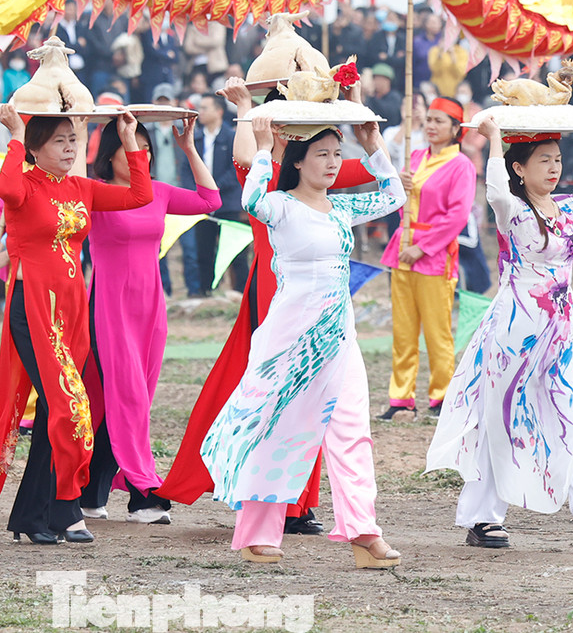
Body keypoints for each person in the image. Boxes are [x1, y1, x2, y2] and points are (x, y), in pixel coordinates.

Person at [202, 116, 405, 567]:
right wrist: (262, 145)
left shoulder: (342, 209)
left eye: (337, 153)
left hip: (339, 336)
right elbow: (250, 198)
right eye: (322, 154)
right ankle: (258, 532)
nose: (333, 163)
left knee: (353, 432)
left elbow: (395, 196)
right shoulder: (280, 205)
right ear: (297, 160)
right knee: (279, 427)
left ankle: (363, 532)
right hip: (291, 338)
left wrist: (372, 147)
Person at [427, 118, 573, 554]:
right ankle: (484, 519)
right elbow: (497, 192)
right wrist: (496, 141)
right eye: (544, 161)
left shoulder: (569, 208)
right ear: (520, 168)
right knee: (501, 418)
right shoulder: (514, 210)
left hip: (562, 328)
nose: (554, 168)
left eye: (557, 159)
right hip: (514, 331)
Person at [0, 106, 152, 544]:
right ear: (35, 148)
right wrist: (14, 135)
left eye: (74, 140)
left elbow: (138, 196)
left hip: (71, 311)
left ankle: (33, 516)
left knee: (55, 409)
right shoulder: (23, 185)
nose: (70, 148)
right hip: (33, 309)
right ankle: (67, 511)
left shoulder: (81, 187)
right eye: (59, 141)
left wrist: (128, 139)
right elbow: (8, 189)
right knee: (71, 407)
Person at [80, 116, 221, 525]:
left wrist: (189, 148)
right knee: (128, 398)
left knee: (126, 398)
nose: (138, 151)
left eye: (142, 144)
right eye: (127, 144)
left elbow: (210, 200)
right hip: (110, 304)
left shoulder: (158, 193)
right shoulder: (99, 194)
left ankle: (91, 492)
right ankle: (144, 493)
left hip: (151, 307)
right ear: (108, 155)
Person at [380, 97, 476, 420]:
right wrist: (400, 186)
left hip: (433, 256)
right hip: (402, 250)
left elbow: (457, 216)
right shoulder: (416, 156)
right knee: (403, 330)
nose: (431, 126)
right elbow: (397, 204)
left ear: (455, 129)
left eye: (439, 121)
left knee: (438, 333)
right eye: (429, 120)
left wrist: (422, 248)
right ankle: (400, 397)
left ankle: (442, 398)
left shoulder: (461, 165)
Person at [183, 93, 243, 297]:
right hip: (202, 204)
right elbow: (186, 168)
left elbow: (235, 168)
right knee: (204, 249)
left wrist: (213, 187)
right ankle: (205, 290)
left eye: (206, 108)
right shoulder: (195, 138)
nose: (201, 112)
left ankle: (240, 290)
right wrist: (197, 192)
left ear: (219, 111)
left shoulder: (231, 137)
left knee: (236, 249)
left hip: (228, 202)